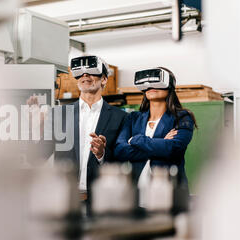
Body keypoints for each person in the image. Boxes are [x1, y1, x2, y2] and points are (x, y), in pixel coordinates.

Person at [27, 55, 127, 210]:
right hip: (64, 200)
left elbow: (123, 161)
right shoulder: (58, 114)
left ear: (104, 79)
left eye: (91, 72)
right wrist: (34, 126)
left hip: (102, 200)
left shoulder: (120, 117)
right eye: (80, 73)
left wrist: (101, 153)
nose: (85, 75)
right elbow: (38, 157)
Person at [114, 67, 197, 212]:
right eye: (147, 84)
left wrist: (137, 140)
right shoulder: (133, 118)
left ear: (169, 86)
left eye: (156, 82)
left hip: (170, 196)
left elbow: (173, 149)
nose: (151, 87)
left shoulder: (183, 117)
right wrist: (160, 144)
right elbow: (120, 151)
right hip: (135, 198)